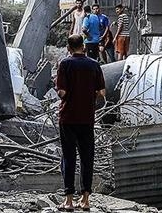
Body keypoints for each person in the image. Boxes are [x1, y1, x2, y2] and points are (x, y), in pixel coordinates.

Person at [56, 35, 106, 211]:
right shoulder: (94, 65)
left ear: (69, 48)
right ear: (83, 46)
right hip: (87, 118)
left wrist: (65, 93)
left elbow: (62, 92)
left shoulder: (65, 64)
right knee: (87, 158)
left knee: (68, 157)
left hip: (68, 118)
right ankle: (85, 200)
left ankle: (68, 201)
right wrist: (89, 97)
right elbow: (102, 92)